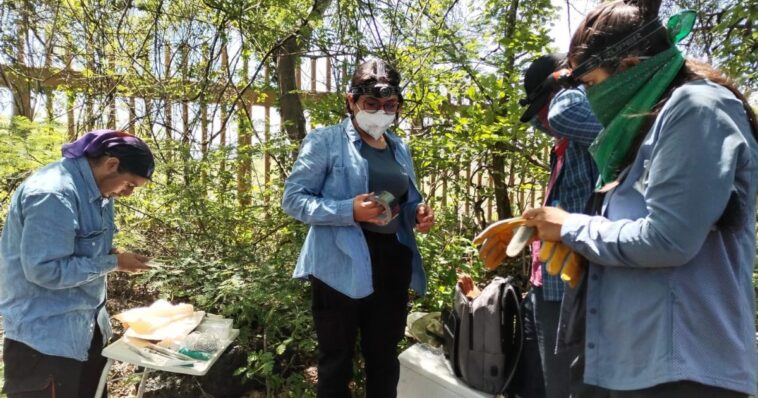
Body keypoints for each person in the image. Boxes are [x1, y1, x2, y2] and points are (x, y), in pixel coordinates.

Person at [523, 1, 758, 397]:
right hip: (638, 364)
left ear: (630, 66)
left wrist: (571, 226)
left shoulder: (696, 109)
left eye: (593, 84)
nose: (591, 98)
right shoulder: (648, 124)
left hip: (684, 369)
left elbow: (668, 240)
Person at [282, 58, 434, 398]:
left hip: (391, 261)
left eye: (390, 105)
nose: (381, 112)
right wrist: (347, 210)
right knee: (336, 360)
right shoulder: (325, 141)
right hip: (338, 262)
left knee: (383, 357)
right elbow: (294, 200)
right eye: (371, 104)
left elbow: (404, 202)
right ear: (351, 101)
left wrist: (417, 213)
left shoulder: (399, 147)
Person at [0, 129, 155, 398]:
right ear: (111, 164)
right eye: (129, 184)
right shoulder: (52, 194)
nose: (128, 193)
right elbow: (45, 270)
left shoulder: (100, 192)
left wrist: (117, 255)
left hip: (87, 332)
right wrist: (113, 262)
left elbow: (84, 248)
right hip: (45, 342)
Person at [513, 53, 602, 398]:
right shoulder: (564, 146)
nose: (540, 121)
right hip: (545, 282)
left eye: (541, 108)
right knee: (548, 383)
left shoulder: (583, 124)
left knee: (569, 386)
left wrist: (566, 83)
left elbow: (565, 113)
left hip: (571, 283)